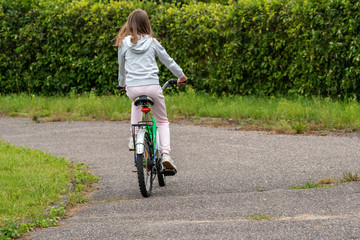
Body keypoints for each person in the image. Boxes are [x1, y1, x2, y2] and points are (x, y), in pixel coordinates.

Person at [114, 9, 187, 173]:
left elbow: (122, 69)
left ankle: (134, 138)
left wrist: (123, 84)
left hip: (133, 88)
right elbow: (168, 61)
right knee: (162, 121)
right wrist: (181, 76)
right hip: (152, 87)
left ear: (130, 23)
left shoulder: (124, 43)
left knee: (135, 104)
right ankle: (166, 155)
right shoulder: (152, 42)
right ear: (146, 24)